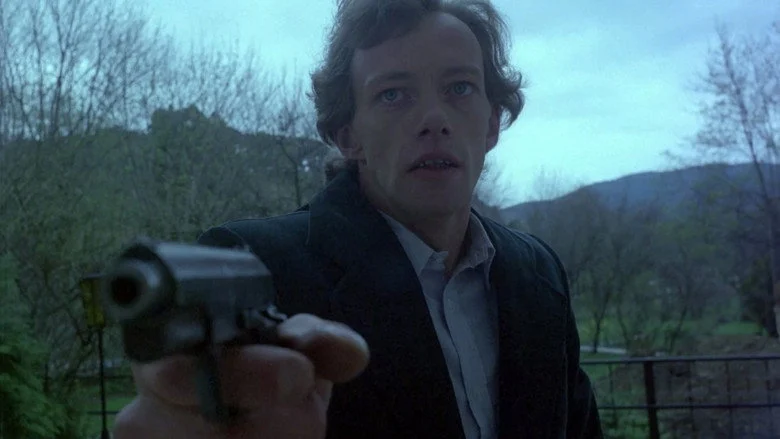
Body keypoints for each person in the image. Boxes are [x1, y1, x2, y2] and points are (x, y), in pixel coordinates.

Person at [113, 0, 603, 438]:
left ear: (492, 123)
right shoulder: (255, 267)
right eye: (393, 94)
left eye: (460, 87)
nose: (434, 118)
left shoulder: (540, 273)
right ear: (348, 136)